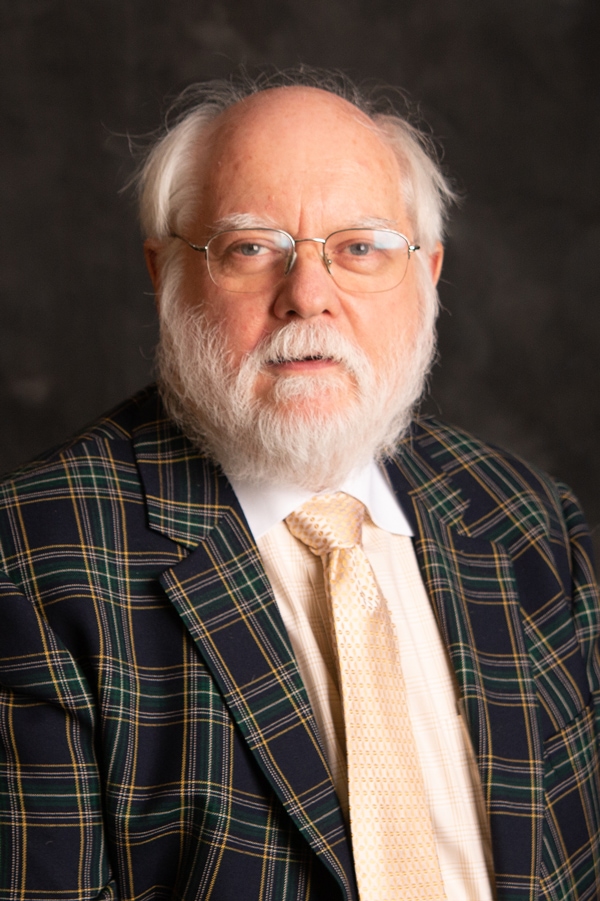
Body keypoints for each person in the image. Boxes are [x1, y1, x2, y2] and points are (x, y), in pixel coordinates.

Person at [0, 70, 598, 901]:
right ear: (166, 274)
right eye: (251, 248)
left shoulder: (532, 524)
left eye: (360, 248)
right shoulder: (33, 559)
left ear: (427, 273)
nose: (309, 296)